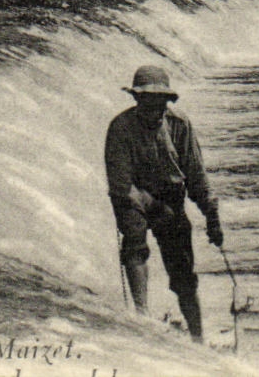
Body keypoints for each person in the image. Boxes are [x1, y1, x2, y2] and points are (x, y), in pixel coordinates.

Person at [104, 65, 223, 342]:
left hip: (171, 198)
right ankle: (141, 316)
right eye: (148, 100)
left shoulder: (180, 125)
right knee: (135, 241)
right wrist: (152, 206)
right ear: (137, 99)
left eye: (161, 102)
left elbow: (196, 175)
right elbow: (120, 185)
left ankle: (198, 339)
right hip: (133, 197)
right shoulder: (120, 128)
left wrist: (211, 215)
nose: (155, 108)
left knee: (183, 272)